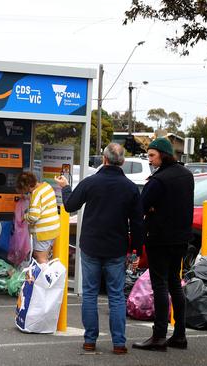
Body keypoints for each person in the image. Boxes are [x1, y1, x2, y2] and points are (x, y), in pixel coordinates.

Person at [55, 142, 143, 355]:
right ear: (121, 162)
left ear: (104, 159)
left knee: (90, 294)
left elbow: (70, 206)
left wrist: (65, 187)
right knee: (116, 296)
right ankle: (119, 343)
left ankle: (89, 340)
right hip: (116, 247)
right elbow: (138, 222)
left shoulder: (91, 182)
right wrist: (136, 250)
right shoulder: (130, 188)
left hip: (91, 245)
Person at [133, 138, 193, 352]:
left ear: (163, 154)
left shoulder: (158, 180)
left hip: (159, 238)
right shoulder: (186, 175)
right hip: (181, 238)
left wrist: (150, 211)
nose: (149, 159)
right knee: (175, 284)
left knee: (159, 284)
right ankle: (179, 335)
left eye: (152, 155)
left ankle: (158, 336)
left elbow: (140, 207)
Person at [15, 171, 60, 264]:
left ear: (27, 186)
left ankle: (44, 278)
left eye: (23, 190)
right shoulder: (46, 186)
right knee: (45, 256)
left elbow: (34, 216)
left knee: (40, 257)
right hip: (53, 229)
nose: (24, 193)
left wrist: (24, 217)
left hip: (43, 232)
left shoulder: (36, 194)